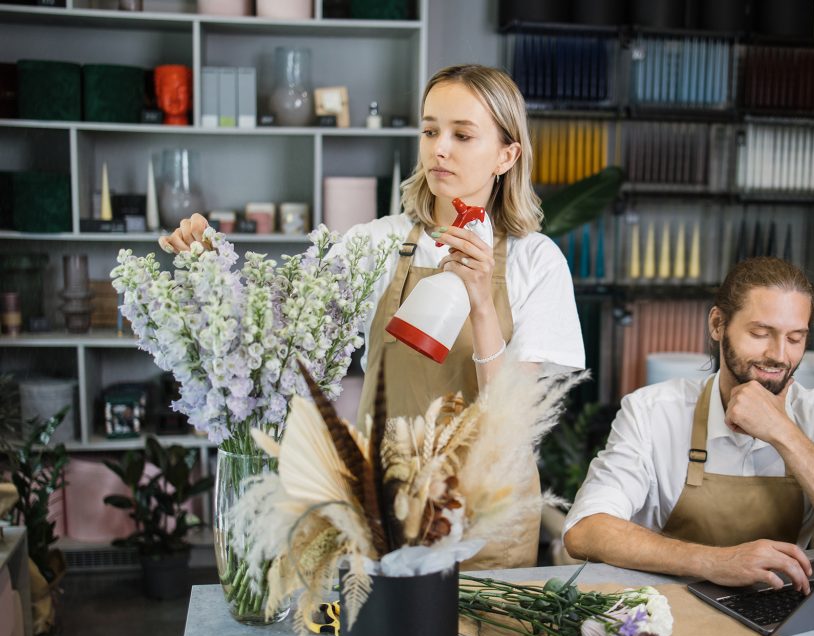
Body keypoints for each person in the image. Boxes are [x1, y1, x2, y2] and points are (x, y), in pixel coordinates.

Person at [160, 64, 586, 567]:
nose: (439, 148)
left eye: (462, 135)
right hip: (388, 506)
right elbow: (281, 323)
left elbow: (512, 424)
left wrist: (480, 303)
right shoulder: (378, 245)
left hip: (487, 518)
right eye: (430, 131)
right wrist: (213, 266)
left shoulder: (536, 262)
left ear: (507, 154)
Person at [562, 257, 814, 593]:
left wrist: (783, 432)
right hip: (666, 609)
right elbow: (585, 530)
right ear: (718, 324)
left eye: (795, 338)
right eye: (760, 333)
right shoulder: (651, 412)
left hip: (777, 613)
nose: (780, 355)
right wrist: (715, 562)